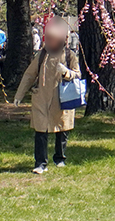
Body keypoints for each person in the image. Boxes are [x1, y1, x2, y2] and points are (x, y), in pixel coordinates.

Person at [14, 18, 81, 174]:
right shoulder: (42, 55)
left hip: (62, 98)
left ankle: (60, 158)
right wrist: (19, 94)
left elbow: (77, 75)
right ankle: (40, 163)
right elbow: (30, 75)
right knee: (40, 131)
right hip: (42, 99)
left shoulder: (70, 55)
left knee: (62, 130)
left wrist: (66, 72)